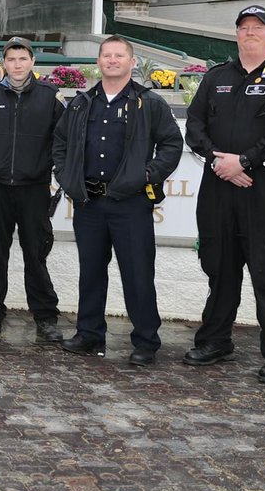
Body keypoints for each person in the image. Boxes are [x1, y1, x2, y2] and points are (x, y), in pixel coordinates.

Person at [183, 5, 265, 384]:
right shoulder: (216, 77)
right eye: (243, 27)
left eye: (258, 27)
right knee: (220, 267)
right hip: (218, 189)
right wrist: (220, 163)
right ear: (236, 34)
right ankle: (215, 341)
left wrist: (246, 162)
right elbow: (194, 127)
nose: (250, 33)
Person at [53, 36, 182, 366]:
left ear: (131, 61)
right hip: (90, 203)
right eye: (106, 55)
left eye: (119, 55)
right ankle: (89, 334)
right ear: (98, 61)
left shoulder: (149, 103)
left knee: (138, 274)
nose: (112, 60)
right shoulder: (82, 103)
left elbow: (171, 145)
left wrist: (146, 174)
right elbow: (61, 144)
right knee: (91, 272)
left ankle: (145, 342)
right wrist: (67, 177)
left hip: (131, 205)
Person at [0, 37, 66, 344]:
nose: (17, 64)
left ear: (33, 62)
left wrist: (43, 166)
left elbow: (61, 140)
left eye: (22, 59)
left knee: (36, 254)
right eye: (11, 59)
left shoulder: (50, 97)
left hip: (34, 189)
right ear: (3, 63)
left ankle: (46, 317)